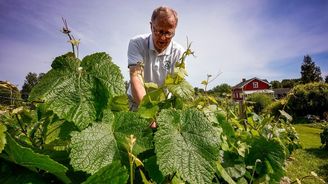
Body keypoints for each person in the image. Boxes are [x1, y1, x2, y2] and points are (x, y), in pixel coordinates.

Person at [127, 6, 184, 111]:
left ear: (174, 31)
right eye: (159, 31)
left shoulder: (179, 52)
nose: (162, 38)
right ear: (151, 26)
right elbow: (136, 75)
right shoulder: (137, 43)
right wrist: (147, 111)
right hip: (136, 101)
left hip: (163, 105)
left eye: (168, 33)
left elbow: (176, 83)